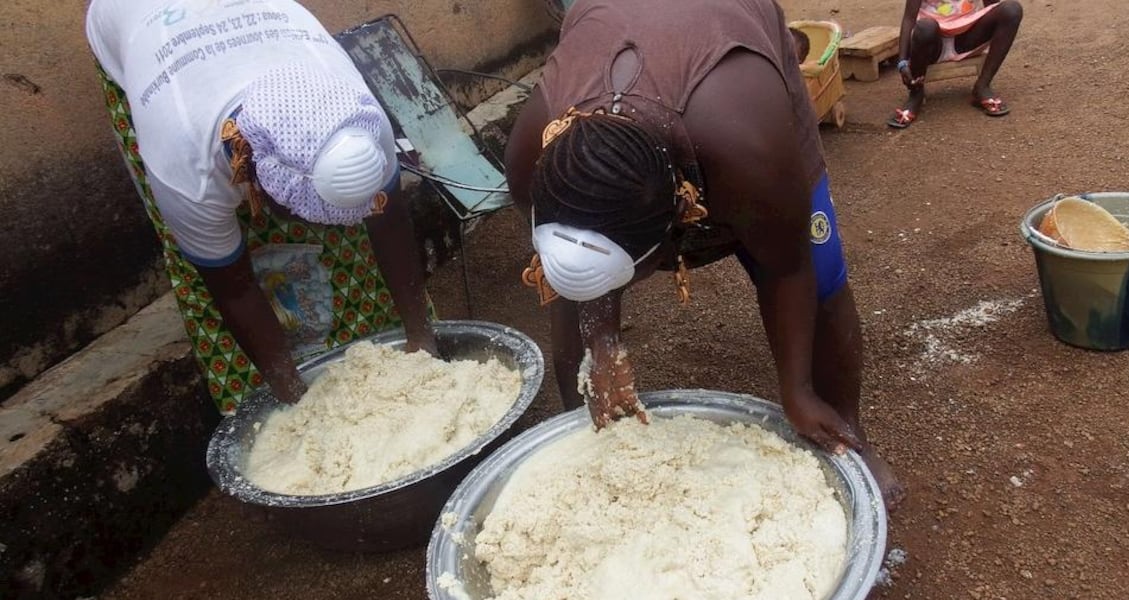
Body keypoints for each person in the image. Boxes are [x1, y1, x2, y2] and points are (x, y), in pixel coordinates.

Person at [505, 0, 903, 506]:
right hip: (617, 25)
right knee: (577, 307)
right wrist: (599, 348)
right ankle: (589, 435)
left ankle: (848, 431)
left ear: (677, 232)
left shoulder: (749, 150)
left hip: (726, 29)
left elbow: (789, 268)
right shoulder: (528, 159)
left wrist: (797, 391)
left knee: (822, 276)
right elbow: (570, 277)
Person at [86, 0, 436, 414]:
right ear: (265, 183)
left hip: (256, 38)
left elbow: (389, 222)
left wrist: (423, 342)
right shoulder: (185, 168)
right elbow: (232, 288)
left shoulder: (359, 116)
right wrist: (297, 405)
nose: (330, 231)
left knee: (347, 248)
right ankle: (277, 387)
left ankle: (372, 336)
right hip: (143, 35)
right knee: (223, 258)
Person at [889, 0, 1024, 128]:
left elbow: (994, 8)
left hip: (966, 39)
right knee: (925, 27)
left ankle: (982, 86)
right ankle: (916, 94)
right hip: (933, 42)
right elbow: (909, 19)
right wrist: (902, 62)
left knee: (1011, 10)